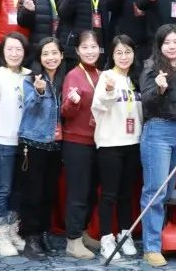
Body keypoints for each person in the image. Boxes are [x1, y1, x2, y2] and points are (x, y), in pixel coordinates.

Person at [137, 24, 176, 267]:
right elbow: (146, 100)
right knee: (155, 192)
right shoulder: (151, 67)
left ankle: (156, 238)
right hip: (158, 130)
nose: (172, 46)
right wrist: (159, 89)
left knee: (167, 190)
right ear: (159, 45)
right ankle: (151, 248)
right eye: (167, 42)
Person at [92, 35, 143, 260]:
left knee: (126, 194)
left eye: (128, 52)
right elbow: (99, 106)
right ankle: (106, 237)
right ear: (112, 55)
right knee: (109, 195)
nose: (124, 57)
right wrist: (110, 91)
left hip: (133, 142)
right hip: (111, 143)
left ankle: (125, 234)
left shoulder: (136, 78)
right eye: (119, 53)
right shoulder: (106, 76)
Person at [17, 38, 67, 260]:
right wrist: (38, 93)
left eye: (54, 53)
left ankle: (44, 232)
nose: (50, 58)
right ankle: (31, 238)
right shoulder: (31, 79)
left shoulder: (64, 80)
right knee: (32, 193)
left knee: (48, 193)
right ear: (39, 57)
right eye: (45, 54)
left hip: (55, 145)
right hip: (33, 142)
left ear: (62, 55)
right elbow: (28, 108)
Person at [0, 33, 30, 256]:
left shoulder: (29, 75)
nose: (14, 53)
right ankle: (0, 236)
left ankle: (12, 230)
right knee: (3, 188)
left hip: (25, 142)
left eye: (18, 49)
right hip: (2, 140)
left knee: (19, 190)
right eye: (10, 49)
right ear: (3, 52)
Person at [60, 30, 104, 259]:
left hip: (99, 141)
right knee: (78, 192)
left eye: (93, 47)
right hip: (77, 142)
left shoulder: (102, 75)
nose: (90, 51)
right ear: (77, 50)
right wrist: (72, 103)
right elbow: (65, 112)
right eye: (85, 47)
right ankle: (73, 240)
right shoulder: (73, 76)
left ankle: (83, 232)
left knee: (91, 192)